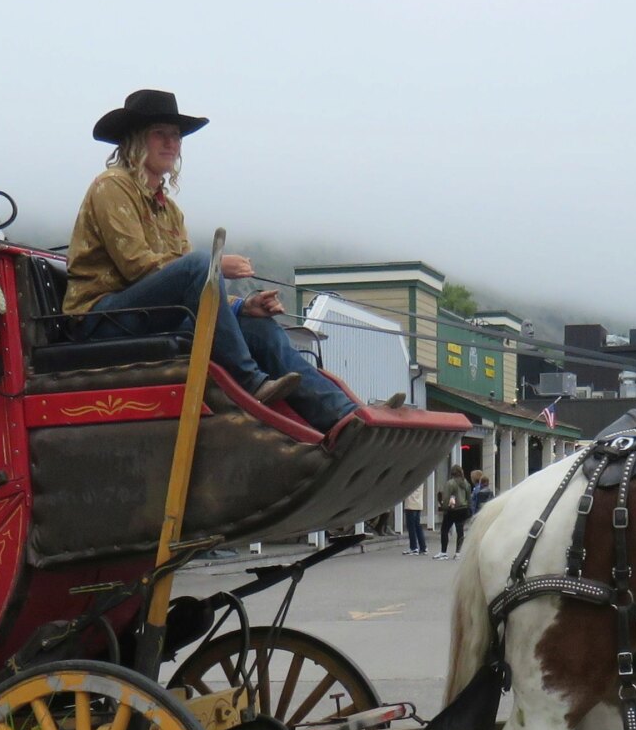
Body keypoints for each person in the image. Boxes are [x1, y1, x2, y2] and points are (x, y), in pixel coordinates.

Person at [64, 89, 356, 434]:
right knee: (200, 263)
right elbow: (138, 267)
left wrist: (241, 306)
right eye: (161, 133)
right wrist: (216, 266)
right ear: (135, 139)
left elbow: (194, 290)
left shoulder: (170, 209)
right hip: (101, 318)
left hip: (150, 314)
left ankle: (345, 418)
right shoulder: (111, 187)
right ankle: (250, 382)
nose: (171, 143)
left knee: (258, 327)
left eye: (176, 136)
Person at [437, 470, 470, 556]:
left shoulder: (450, 483)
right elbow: (469, 497)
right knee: (460, 531)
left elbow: (446, 497)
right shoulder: (466, 483)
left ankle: (443, 552)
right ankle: (458, 552)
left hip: (452, 510)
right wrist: (468, 507)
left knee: (444, 530)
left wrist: (444, 507)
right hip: (463, 509)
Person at [402, 477, 429, 554]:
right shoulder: (421, 479)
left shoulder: (412, 480)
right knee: (417, 526)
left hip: (411, 504)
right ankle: (423, 547)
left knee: (411, 527)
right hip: (418, 504)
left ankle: (413, 547)